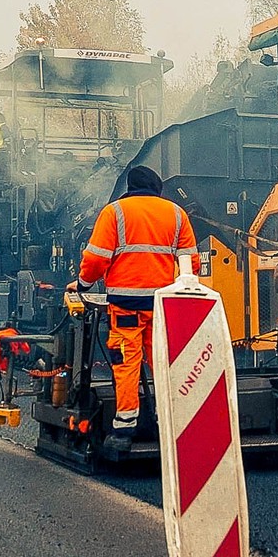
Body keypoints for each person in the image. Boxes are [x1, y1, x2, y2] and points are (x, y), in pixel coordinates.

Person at [74, 165, 198, 454]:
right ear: (157, 188)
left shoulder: (115, 212)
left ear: (129, 186)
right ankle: (175, 422)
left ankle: (124, 430)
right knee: (166, 362)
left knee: (128, 363)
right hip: (164, 304)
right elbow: (189, 263)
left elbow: (95, 259)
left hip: (126, 306)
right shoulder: (176, 214)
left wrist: (82, 283)